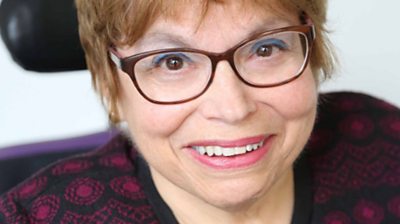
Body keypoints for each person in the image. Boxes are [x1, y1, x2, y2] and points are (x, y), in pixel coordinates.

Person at [0, 0, 399, 223]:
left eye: (265, 49)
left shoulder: (386, 146)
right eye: (172, 62)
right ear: (111, 85)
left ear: (312, 57)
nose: (232, 108)